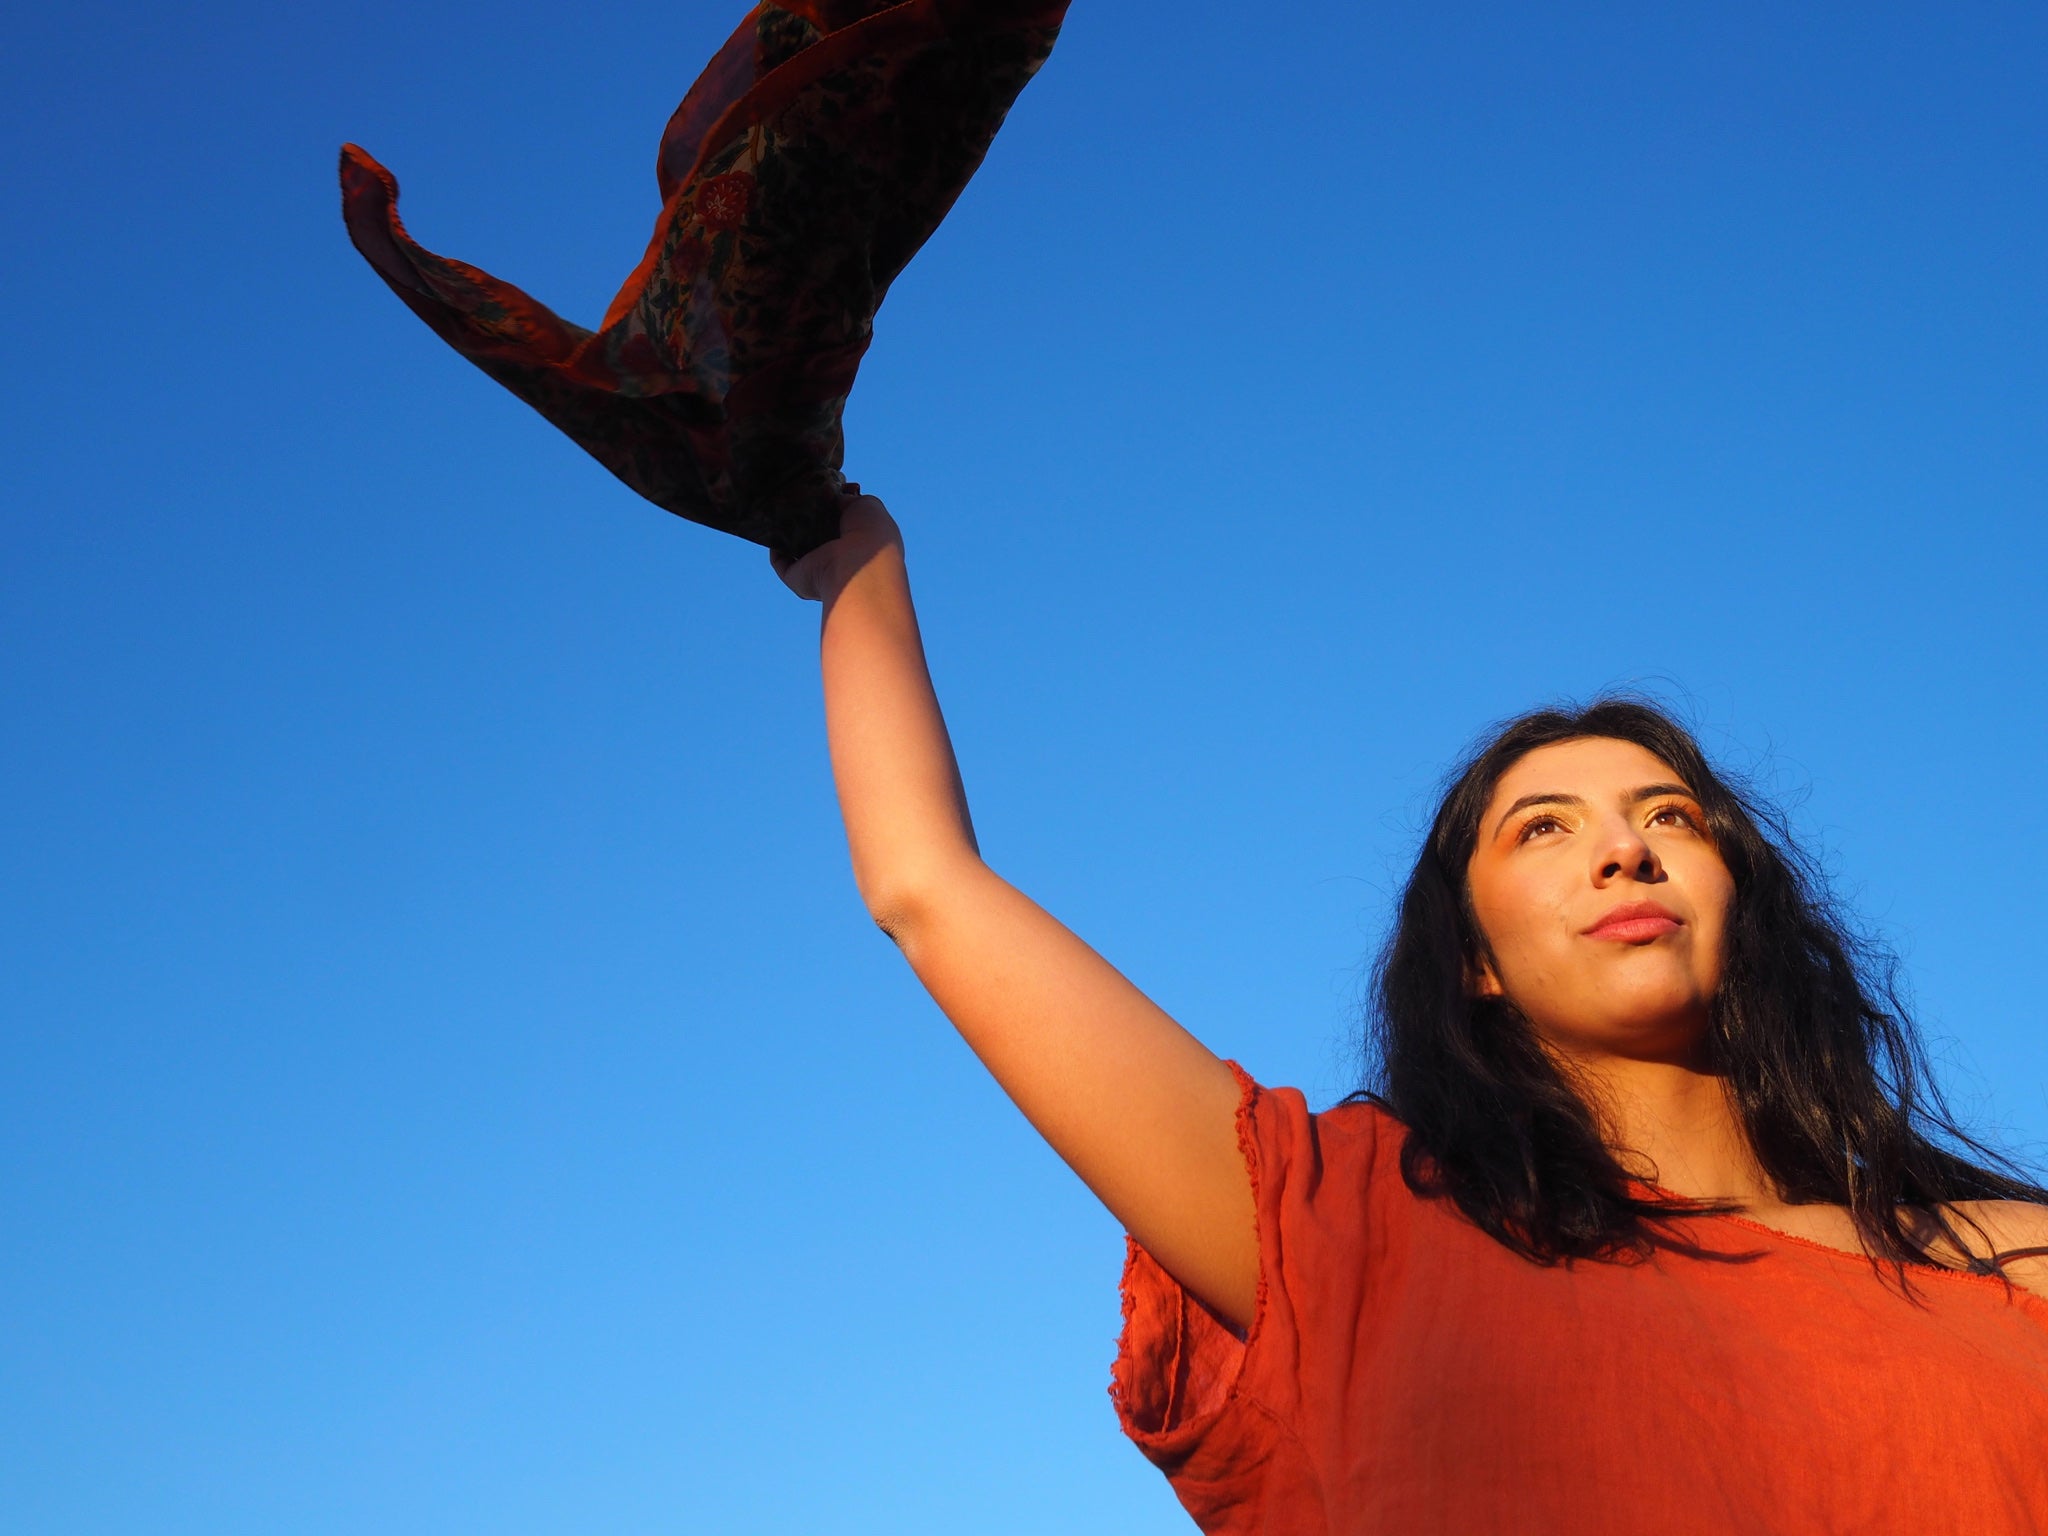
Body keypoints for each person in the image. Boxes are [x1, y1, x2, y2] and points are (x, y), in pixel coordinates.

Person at [773, 494, 2048, 1533]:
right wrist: (851, 553)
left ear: (1740, 899)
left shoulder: (2003, 1265)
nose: (1623, 852)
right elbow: (927, 887)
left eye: (1669, 818)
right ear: (1472, 963)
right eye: (1543, 830)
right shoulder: (1346, 1225)